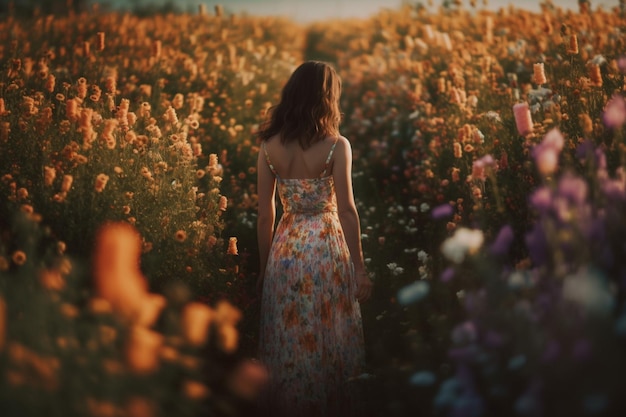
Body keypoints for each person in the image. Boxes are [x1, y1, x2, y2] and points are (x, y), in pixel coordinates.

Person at [256, 60, 372, 417]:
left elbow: (265, 215)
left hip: (286, 247)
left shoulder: (269, 146)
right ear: (328, 98)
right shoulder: (337, 145)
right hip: (326, 245)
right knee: (329, 333)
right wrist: (360, 268)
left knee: (290, 336)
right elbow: (348, 210)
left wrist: (264, 270)